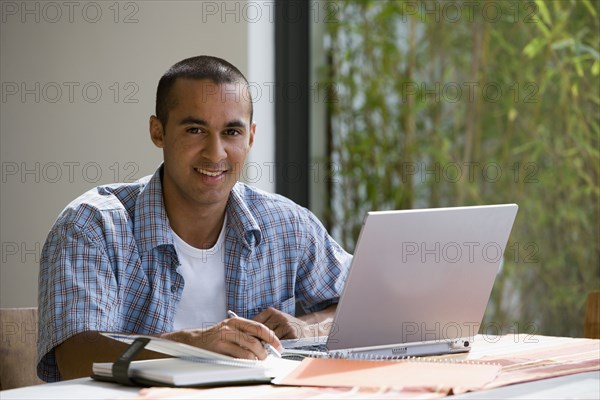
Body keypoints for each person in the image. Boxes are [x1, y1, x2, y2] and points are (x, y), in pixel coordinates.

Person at [37, 55, 352, 382]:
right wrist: (192, 346)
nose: (215, 153)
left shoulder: (288, 225)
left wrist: (309, 325)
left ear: (251, 137)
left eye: (231, 131)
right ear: (157, 132)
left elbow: (362, 305)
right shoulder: (91, 226)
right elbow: (75, 357)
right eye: (195, 129)